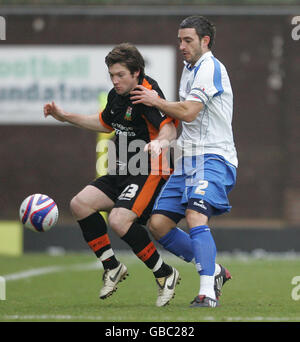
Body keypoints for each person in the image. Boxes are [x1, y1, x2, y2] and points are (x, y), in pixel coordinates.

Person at [43, 42, 180, 307]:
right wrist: (65, 116)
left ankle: (165, 274)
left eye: (120, 75)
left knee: (119, 220)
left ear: (136, 72)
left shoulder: (147, 94)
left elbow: (169, 128)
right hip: (121, 170)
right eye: (112, 75)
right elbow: (104, 123)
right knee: (80, 204)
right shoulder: (116, 95)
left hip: (148, 171)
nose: (115, 81)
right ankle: (112, 267)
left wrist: (160, 143)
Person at [130, 16, 237, 308]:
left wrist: (154, 100)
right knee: (159, 224)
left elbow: (188, 111)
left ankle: (207, 293)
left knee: (195, 216)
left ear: (205, 41)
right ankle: (213, 270)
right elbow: (182, 120)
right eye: (180, 40)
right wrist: (163, 141)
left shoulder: (210, 68)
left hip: (215, 157)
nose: (181, 46)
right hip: (188, 160)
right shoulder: (189, 70)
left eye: (188, 40)